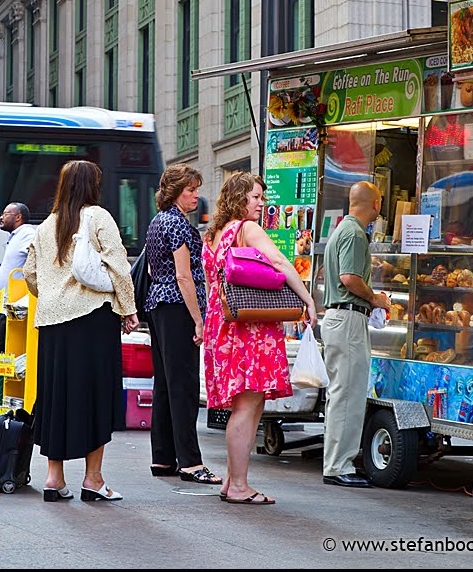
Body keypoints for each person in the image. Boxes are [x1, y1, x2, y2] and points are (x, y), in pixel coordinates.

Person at [23, 160, 139, 502]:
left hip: (52, 325)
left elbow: (30, 273)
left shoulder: (45, 226)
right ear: (92, 185)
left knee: (56, 397)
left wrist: (53, 295)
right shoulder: (98, 216)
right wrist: (128, 309)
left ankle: (53, 478)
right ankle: (93, 478)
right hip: (92, 320)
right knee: (96, 395)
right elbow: (119, 264)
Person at [202, 172, 317, 505]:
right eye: (255, 197)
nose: (261, 204)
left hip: (223, 323)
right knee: (248, 404)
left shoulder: (214, 234)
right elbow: (279, 261)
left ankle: (232, 481)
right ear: (239, 198)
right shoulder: (246, 229)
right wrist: (306, 299)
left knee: (245, 403)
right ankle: (238, 484)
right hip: (248, 326)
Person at [145, 164, 221, 484]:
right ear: (176, 191)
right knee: (185, 387)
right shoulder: (178, 224)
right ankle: (190, 462)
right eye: (190, 189)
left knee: (165, 384)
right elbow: (184, 275)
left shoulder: (156, 222)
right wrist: (199, 320)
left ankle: (163, 458)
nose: (196, 195)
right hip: (178, 308)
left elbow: (151, 271)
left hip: (157, 305)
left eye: (196, 189)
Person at [321, 181, 391, 488]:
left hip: (340, 319)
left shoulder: (341, 230)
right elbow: (349, 278)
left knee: (341, 395)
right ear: (375, 204)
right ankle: (339, 466)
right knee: (348, 396)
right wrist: (376, 298)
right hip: (347, 320)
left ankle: (336, 461)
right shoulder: (353, 234)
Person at [0, 202, 36, 298]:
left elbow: (36, 257)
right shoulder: (16, 235)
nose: (1, 217)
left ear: (18, 217)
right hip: (5, 300)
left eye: (5, 214)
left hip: (14, 302)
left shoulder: (27, 233)